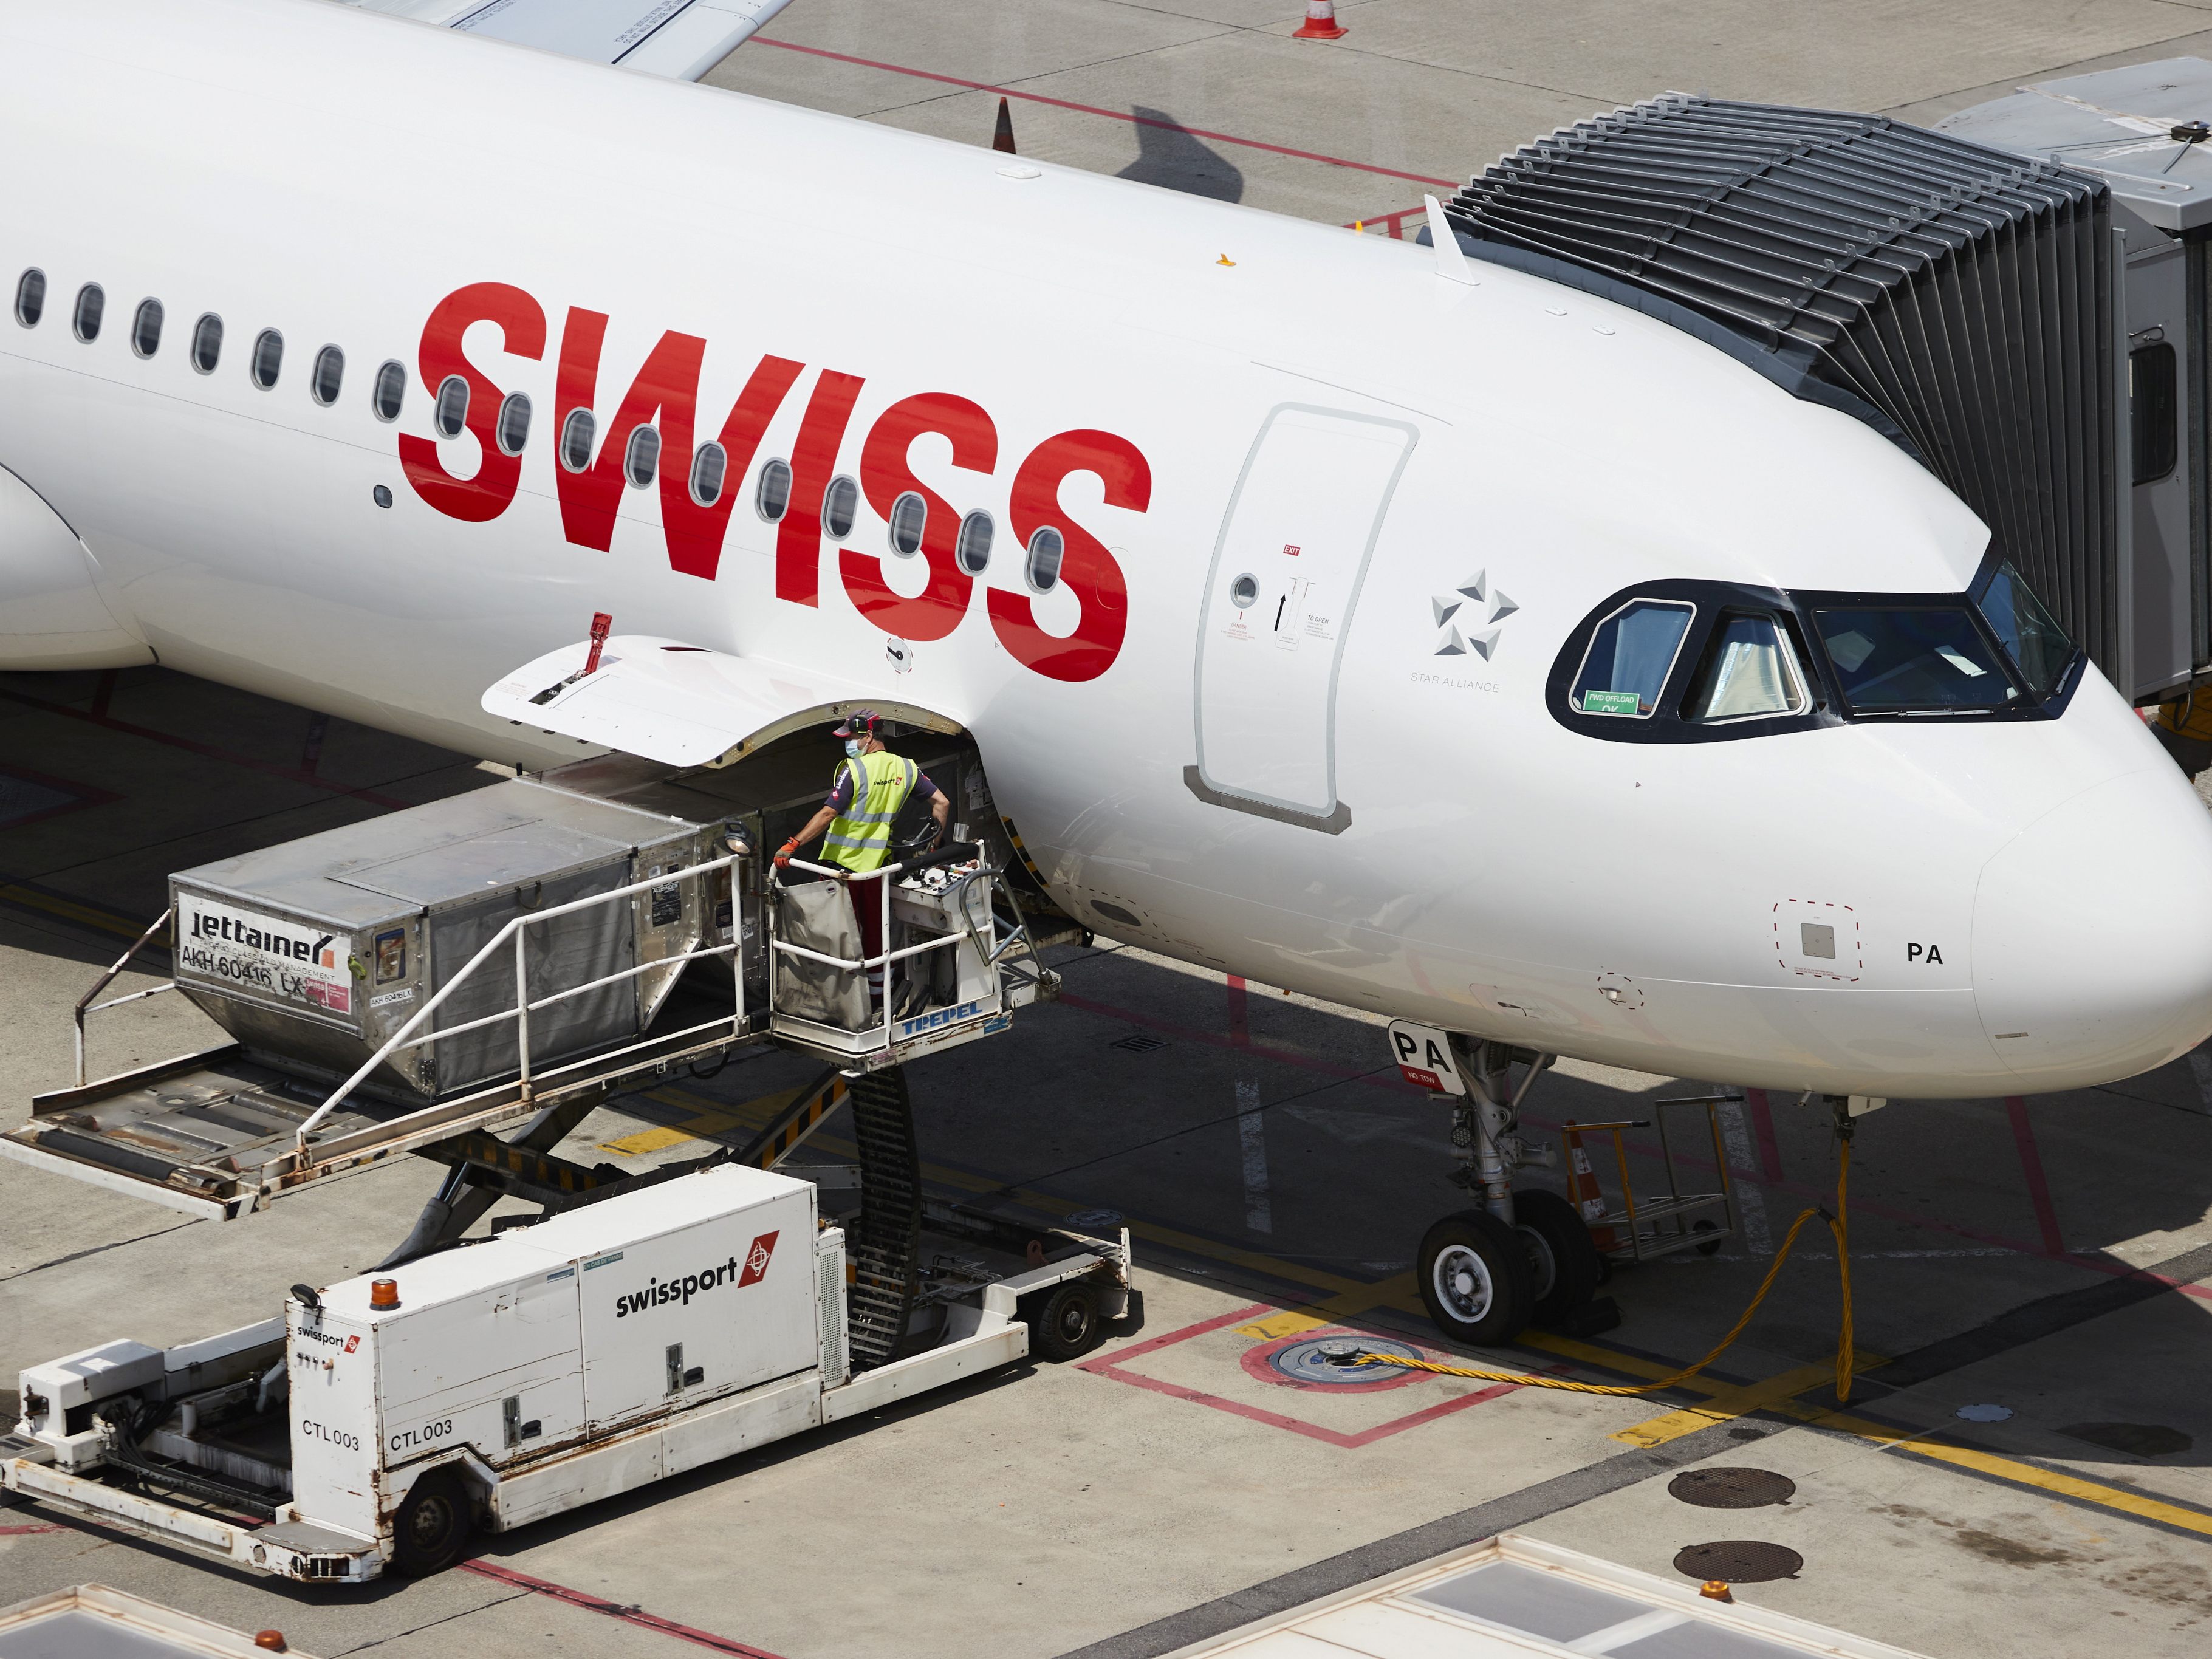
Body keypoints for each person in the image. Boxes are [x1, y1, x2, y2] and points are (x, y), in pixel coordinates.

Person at [776, 712, 950, 1004]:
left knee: (834, 934)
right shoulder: (906, 768)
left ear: (868, 736)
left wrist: (793, 844)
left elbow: (828, 813)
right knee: (875, 933)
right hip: (875, 869)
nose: (847, 743)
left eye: (851, 737)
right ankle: (879, 997)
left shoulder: (854, 770)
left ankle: (839, 1000)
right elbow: (942, 804)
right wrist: (932, 849)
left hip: (840, 870)